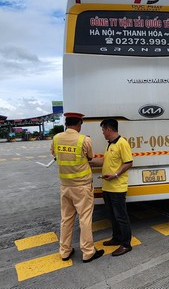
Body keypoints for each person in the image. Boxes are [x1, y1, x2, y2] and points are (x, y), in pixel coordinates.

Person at [51, 112, 104, 263]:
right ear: (79, 123)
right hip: (82, 186)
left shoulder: (56, 138)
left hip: (65, 186)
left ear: (66, 123)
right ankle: (88, 252)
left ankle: (64, 251)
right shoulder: (84, 140)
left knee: (66, 219)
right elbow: (90, 157)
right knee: (85, 219)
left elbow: (54, 154)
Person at [89, 118, 134, 256]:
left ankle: (126, 244)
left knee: (121, 217)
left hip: (117, 188)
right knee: (112, 216)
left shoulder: (122, 143)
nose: (102, 133)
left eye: (103, 130)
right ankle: (117, 238)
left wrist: (115, 174)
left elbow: (128, 163)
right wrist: (89, 161)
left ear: (108, 129)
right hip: (107, 187)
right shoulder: (110, 145)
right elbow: (104, 161)